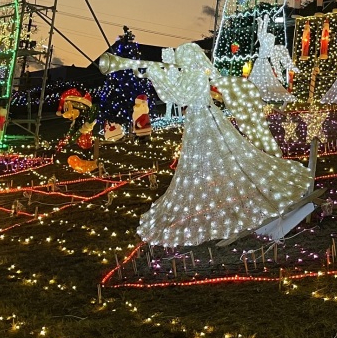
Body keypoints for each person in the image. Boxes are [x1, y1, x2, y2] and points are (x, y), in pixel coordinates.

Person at [100, 44, 314, 248]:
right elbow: (171, 96)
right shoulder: (191, 74)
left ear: (189, 58)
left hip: (203, 120)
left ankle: (230, 191)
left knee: (219, 156)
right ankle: (220, 188)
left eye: (182, 57)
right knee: (215, 158)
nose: (180, 61)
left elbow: (180, 96)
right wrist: (154, 74)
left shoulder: (195, 75)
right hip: (198, 119)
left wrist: (158, 74)